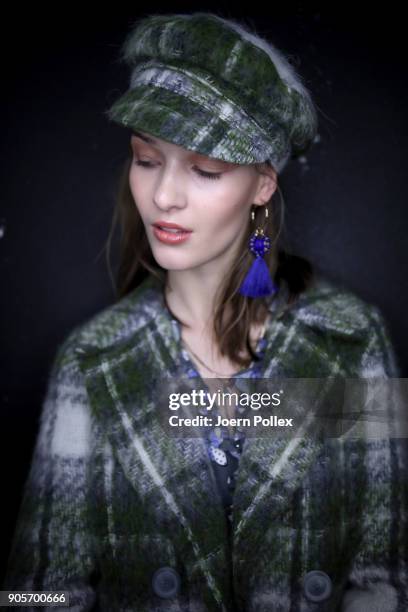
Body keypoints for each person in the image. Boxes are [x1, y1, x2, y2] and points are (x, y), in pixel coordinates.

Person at [3, 11, 407, 612]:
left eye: (205, 168)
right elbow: (36, 597)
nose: (165, 195)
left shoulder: (350, 340)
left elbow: (388, 579)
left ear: (262, 186)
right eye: (146, 158)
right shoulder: (92, 361)